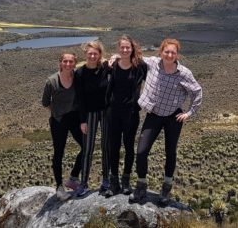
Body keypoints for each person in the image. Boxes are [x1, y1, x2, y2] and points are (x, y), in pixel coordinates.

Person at [129, 38, 202, 206]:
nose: (169, 55)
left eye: (173, 52)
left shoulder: (184, 73)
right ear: (161, 52)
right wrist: (115, 58)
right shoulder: (153, 63)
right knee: (141, 151)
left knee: (170, 152)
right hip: (154, 114)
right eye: (166, 51)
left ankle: (166, 189)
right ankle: (141, 185)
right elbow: (135, 57)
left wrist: (190, 112)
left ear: (177, 54)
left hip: (173, 117)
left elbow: (197, 92)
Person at [101, 35, 148, 197]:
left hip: (131, 113)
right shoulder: (112, 65)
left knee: (129, 147)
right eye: (122, 47)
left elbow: (156, 75)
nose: (125, 50)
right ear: (118, 49)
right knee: (113, 146)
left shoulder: (140, 66)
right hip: (113, 112)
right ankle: (114, 183)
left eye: (128, 47)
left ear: (132, 48)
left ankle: (126, 181)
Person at [41, 51, 84, 201]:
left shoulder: (77, 77)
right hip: (59, 120)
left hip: (75, 118)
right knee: (59, 152)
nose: (68, 64)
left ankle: (73, 178)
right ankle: (59, 186)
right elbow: (45, 102)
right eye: (65, 61)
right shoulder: (52, 81)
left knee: (86, 147)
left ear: (75, 63)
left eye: (71, 61)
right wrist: (57, 112)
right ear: (60, 63)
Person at [73, 40, 111, 196]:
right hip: (89, 114)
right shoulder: (80, 73)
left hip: (106, 113)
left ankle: (106, 180)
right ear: (85, 54)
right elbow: (80, 99)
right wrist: (82, 121)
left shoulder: (106, 69)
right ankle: (84, 183)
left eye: (95, 53)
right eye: (90, 53)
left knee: (106, 147)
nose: (93, 56)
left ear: (100, 54)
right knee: (87, 149)